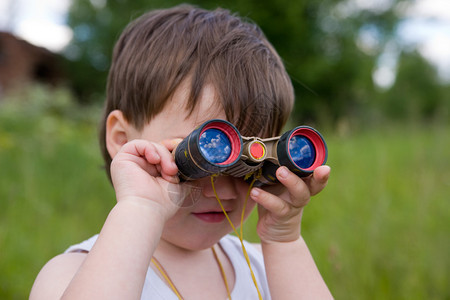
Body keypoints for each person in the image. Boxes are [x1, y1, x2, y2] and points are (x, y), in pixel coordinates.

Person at [30, 4, 333, 300]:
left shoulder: (267, 266)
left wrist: (283, 241)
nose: (224, 191)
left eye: (249, 173)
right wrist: (141, 209)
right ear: (123, 139)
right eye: (200, 159)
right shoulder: (70, 273)